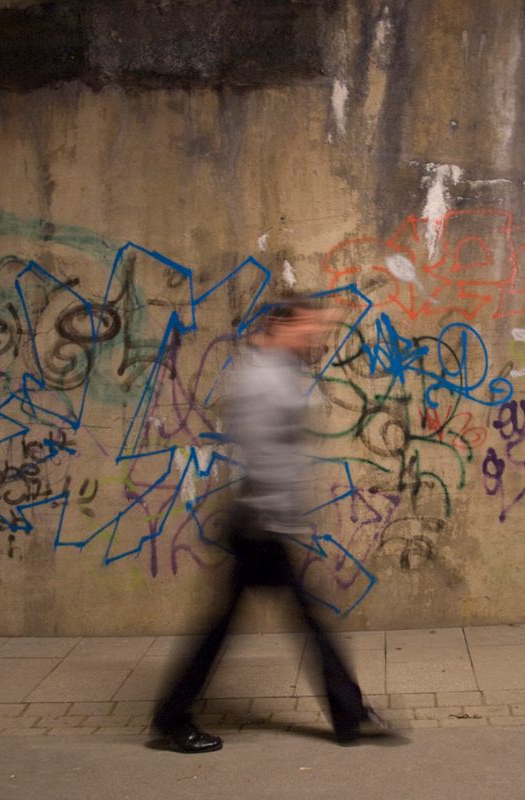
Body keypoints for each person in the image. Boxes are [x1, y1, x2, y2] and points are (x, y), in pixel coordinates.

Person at [152, 298, 387, 753]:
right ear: (280, 325)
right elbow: (261, 453)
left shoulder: (273, 370)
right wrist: (278, 516)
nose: (314, 337)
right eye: (307, 327)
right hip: (261, 522)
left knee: (287, 620)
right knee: (241, 625)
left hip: (265, 520)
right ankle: (171, 717)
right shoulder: (263, 376)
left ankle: (349, 714)